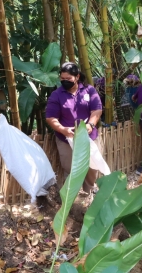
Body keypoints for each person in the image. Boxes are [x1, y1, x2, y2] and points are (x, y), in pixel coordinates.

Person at [46, 62, 103, 194]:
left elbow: (97, 111)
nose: (65, 81)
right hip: (66, 139)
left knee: (92, 167)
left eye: (68, 79)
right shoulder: (56, 95)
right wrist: (62, 129)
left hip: (89, 137)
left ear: (77, 77)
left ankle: (89, 194)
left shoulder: (89, 90)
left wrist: (91, 124)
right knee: (71, 169)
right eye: (62, 79)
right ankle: (72, 200)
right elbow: (51, 118)